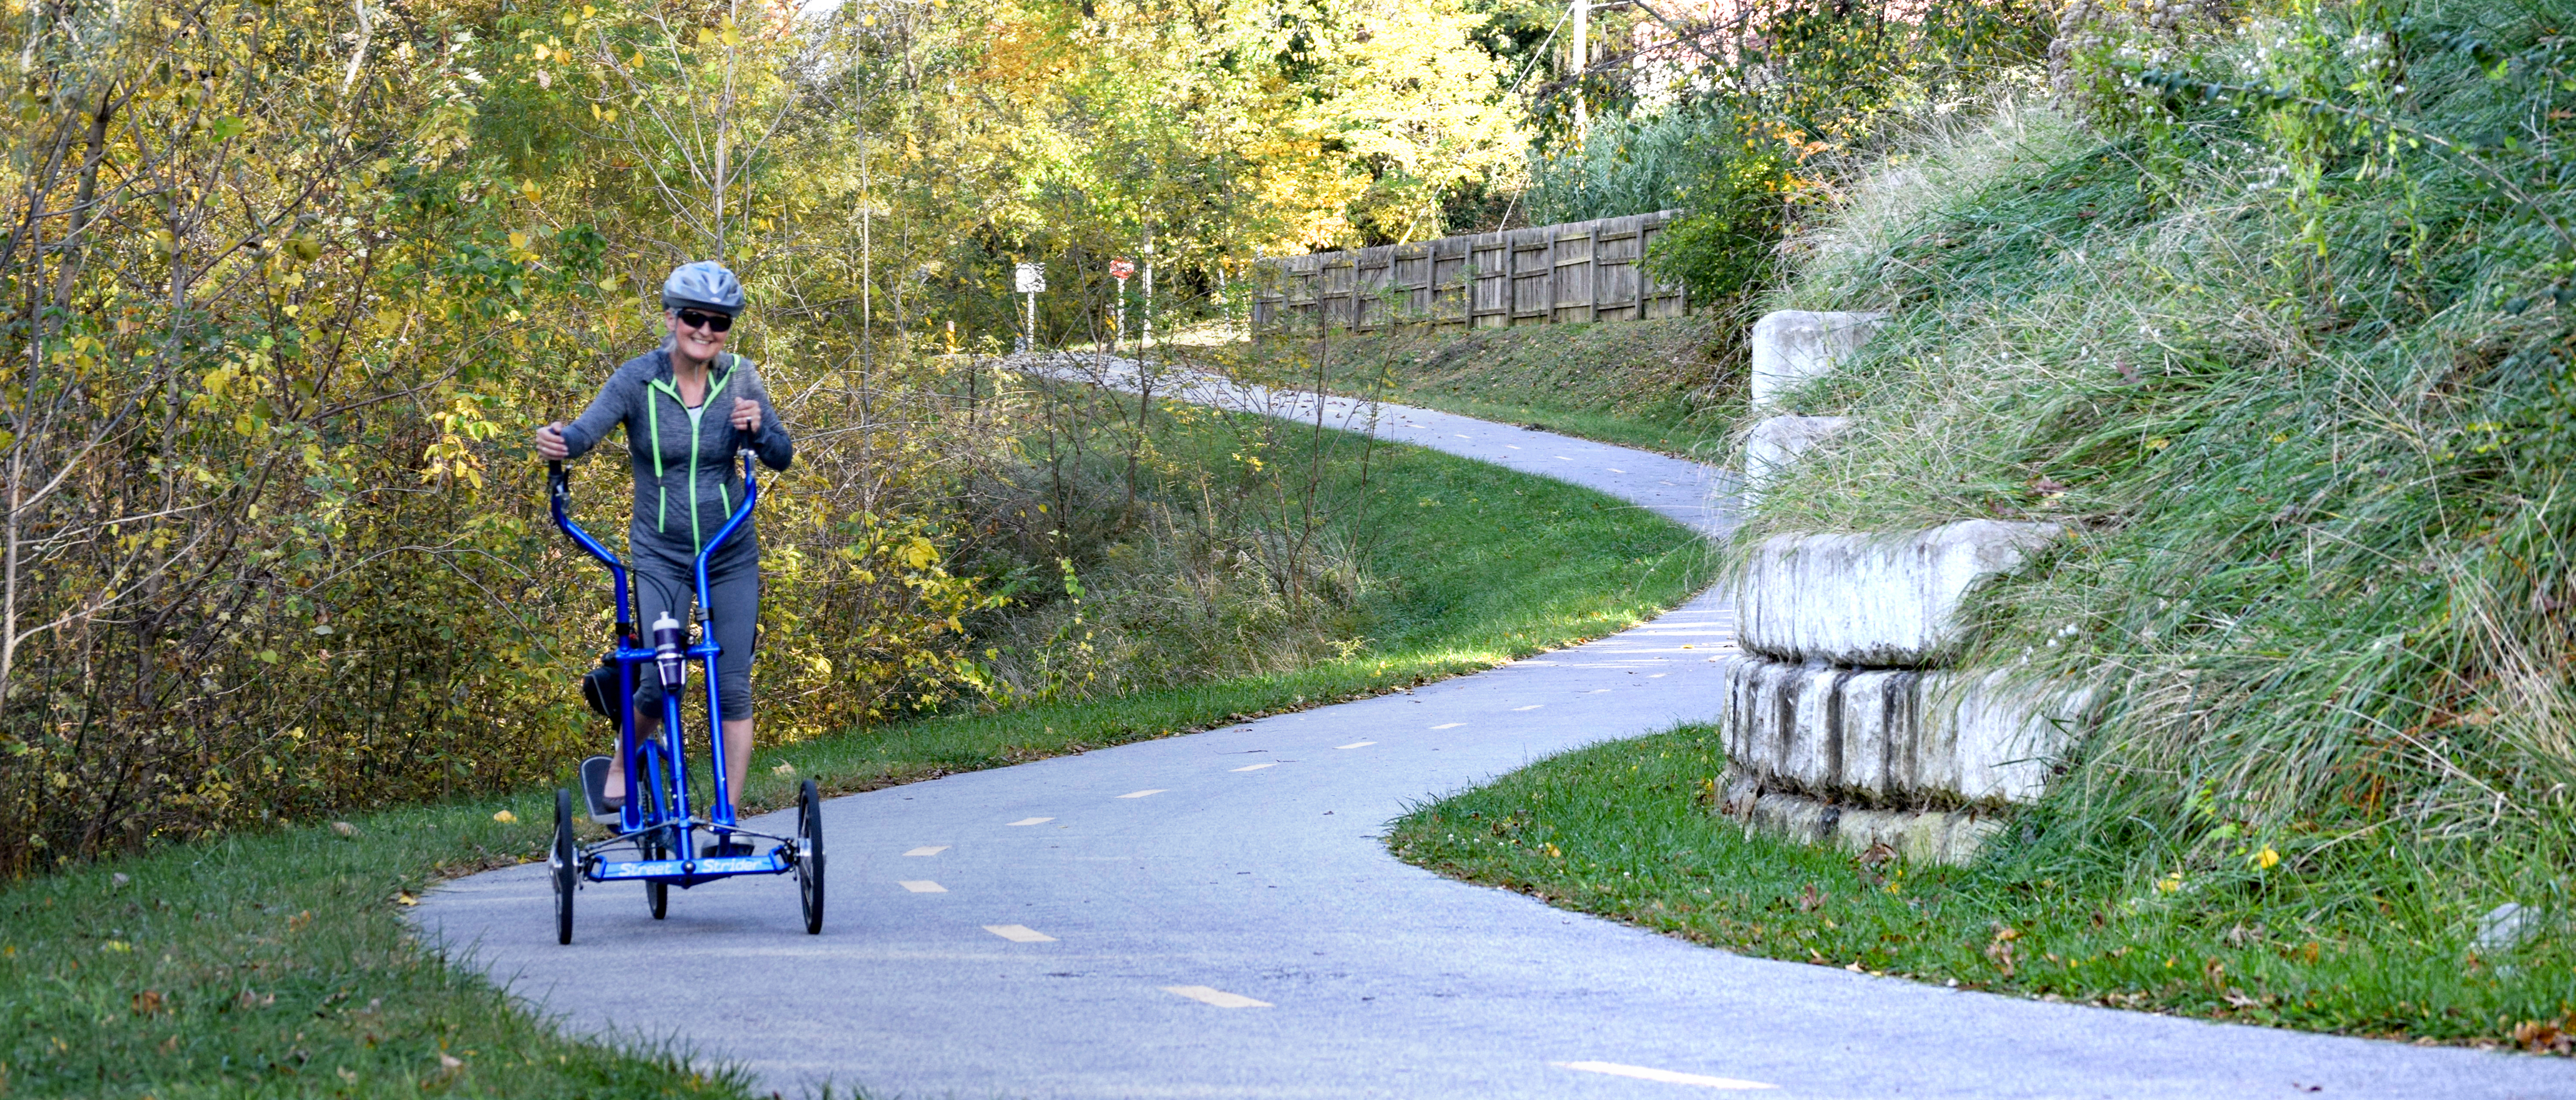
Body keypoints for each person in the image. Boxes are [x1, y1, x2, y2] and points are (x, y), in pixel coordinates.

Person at [535, 262, 792, 851]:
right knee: (657, 677)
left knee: (733, 685)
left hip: (729, 551)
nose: (705, 330)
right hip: (660, 554)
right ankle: (623, 768)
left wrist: (759, 430)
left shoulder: (743, 379)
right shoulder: (637, 380)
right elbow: (583, 434)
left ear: (728, 328)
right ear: (673, 318)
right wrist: (558, 442)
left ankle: (724, 820)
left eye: (718, 322)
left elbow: (782, 455)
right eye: (695, 318)